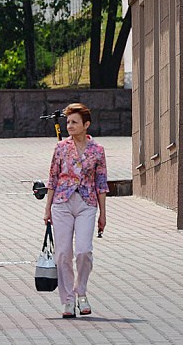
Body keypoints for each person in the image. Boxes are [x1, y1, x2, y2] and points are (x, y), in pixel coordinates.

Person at [42, 103, 108, 319]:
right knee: (63, 253)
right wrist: (47, 209)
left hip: (87, 203)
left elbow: (101, 182)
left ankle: (81, 291)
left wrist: (103, 214)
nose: (69, 126)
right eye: (68, 122)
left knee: (83, 251)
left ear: (86, 125)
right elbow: (52, 178)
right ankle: (68, 300)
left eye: (74, 122)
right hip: (62, 203)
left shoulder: (97, 150)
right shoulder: (61, 147)